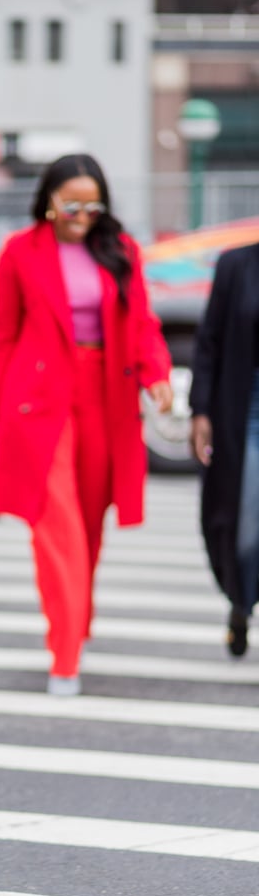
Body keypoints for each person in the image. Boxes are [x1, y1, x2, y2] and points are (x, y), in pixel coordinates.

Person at [0, 154, 172, 696]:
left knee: (88, 527)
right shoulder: (20, 251)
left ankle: (74, 624)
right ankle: (64, 652)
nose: (83, 214)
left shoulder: (121, 250)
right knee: (56, 525)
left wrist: (157, 374)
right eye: (72, 203)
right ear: (49, 200)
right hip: (37, 399)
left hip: (107, 396)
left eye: (93, 204)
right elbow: (2, 335)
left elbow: (143, 325)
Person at [190, 243, 259, 657]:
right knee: (247, 527)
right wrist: (201, 409)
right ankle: (242, 600)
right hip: (247, 408)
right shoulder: (237, 264)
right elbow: (209, 340)